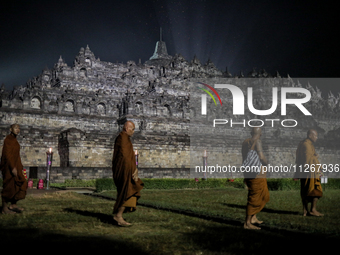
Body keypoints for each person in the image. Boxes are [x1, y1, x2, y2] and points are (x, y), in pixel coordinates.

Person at [112, 121, 144, 226]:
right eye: (133, 129)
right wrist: (132, 170)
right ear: (126, 128)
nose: (133, 132)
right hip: (125, 170)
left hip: (128, 169)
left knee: (131, 191)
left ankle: (119, 215)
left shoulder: (125, 138)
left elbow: (129, 156)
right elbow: (125, 157)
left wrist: (134, 167)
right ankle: (118, 216)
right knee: (128, 191)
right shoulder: (122, 138)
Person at [242, 127, 270, 229]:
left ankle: (253, 218)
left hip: (248, 172)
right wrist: (267, 163)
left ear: (251, 132)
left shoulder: (245, 142)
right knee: (254, 198)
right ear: (260, 134)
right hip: (256, 174)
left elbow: (244, 158)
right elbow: (261, 157)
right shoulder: (258, 141)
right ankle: (247, 223)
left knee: (262, 195)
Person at [295, 129, 323, 216]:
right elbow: (307, 160)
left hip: (306, 170)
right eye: (315, 136)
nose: (316, 138)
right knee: (314, 189)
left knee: (305, 190)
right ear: (310, 135)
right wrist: (316, 157)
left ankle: (305, 210)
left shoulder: (305, 144)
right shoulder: (306, 145)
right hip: (310, 171)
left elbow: (308, 157)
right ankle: (312, 210)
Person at [1, 124, 27, 214]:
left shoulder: (15, 140)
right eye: (16, 128)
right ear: (11, 129)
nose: (18, 130)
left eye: (19, 128)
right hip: (9, 167)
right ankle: (4, 208)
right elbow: (8, 155)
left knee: (20, 183)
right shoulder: (8, 140)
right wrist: (12, 167)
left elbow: (16, 156)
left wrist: (20, 166)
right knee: (9, 187)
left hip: (17, 166)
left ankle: (13, 204)